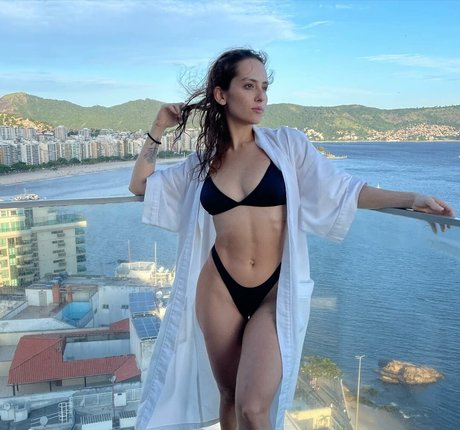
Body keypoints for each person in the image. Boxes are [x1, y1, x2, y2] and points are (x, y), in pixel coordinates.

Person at [129, 48, 455, 430]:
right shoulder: (204, 161)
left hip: (274, 290)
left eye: (264, 87)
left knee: (253, 407)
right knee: (229, 396)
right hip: (219, 288)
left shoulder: (287, 145)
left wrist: (411, 198)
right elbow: (141, 185)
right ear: (221, 94)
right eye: (249, 86)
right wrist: (158, 127)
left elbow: (345, 190)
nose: (261, 96)